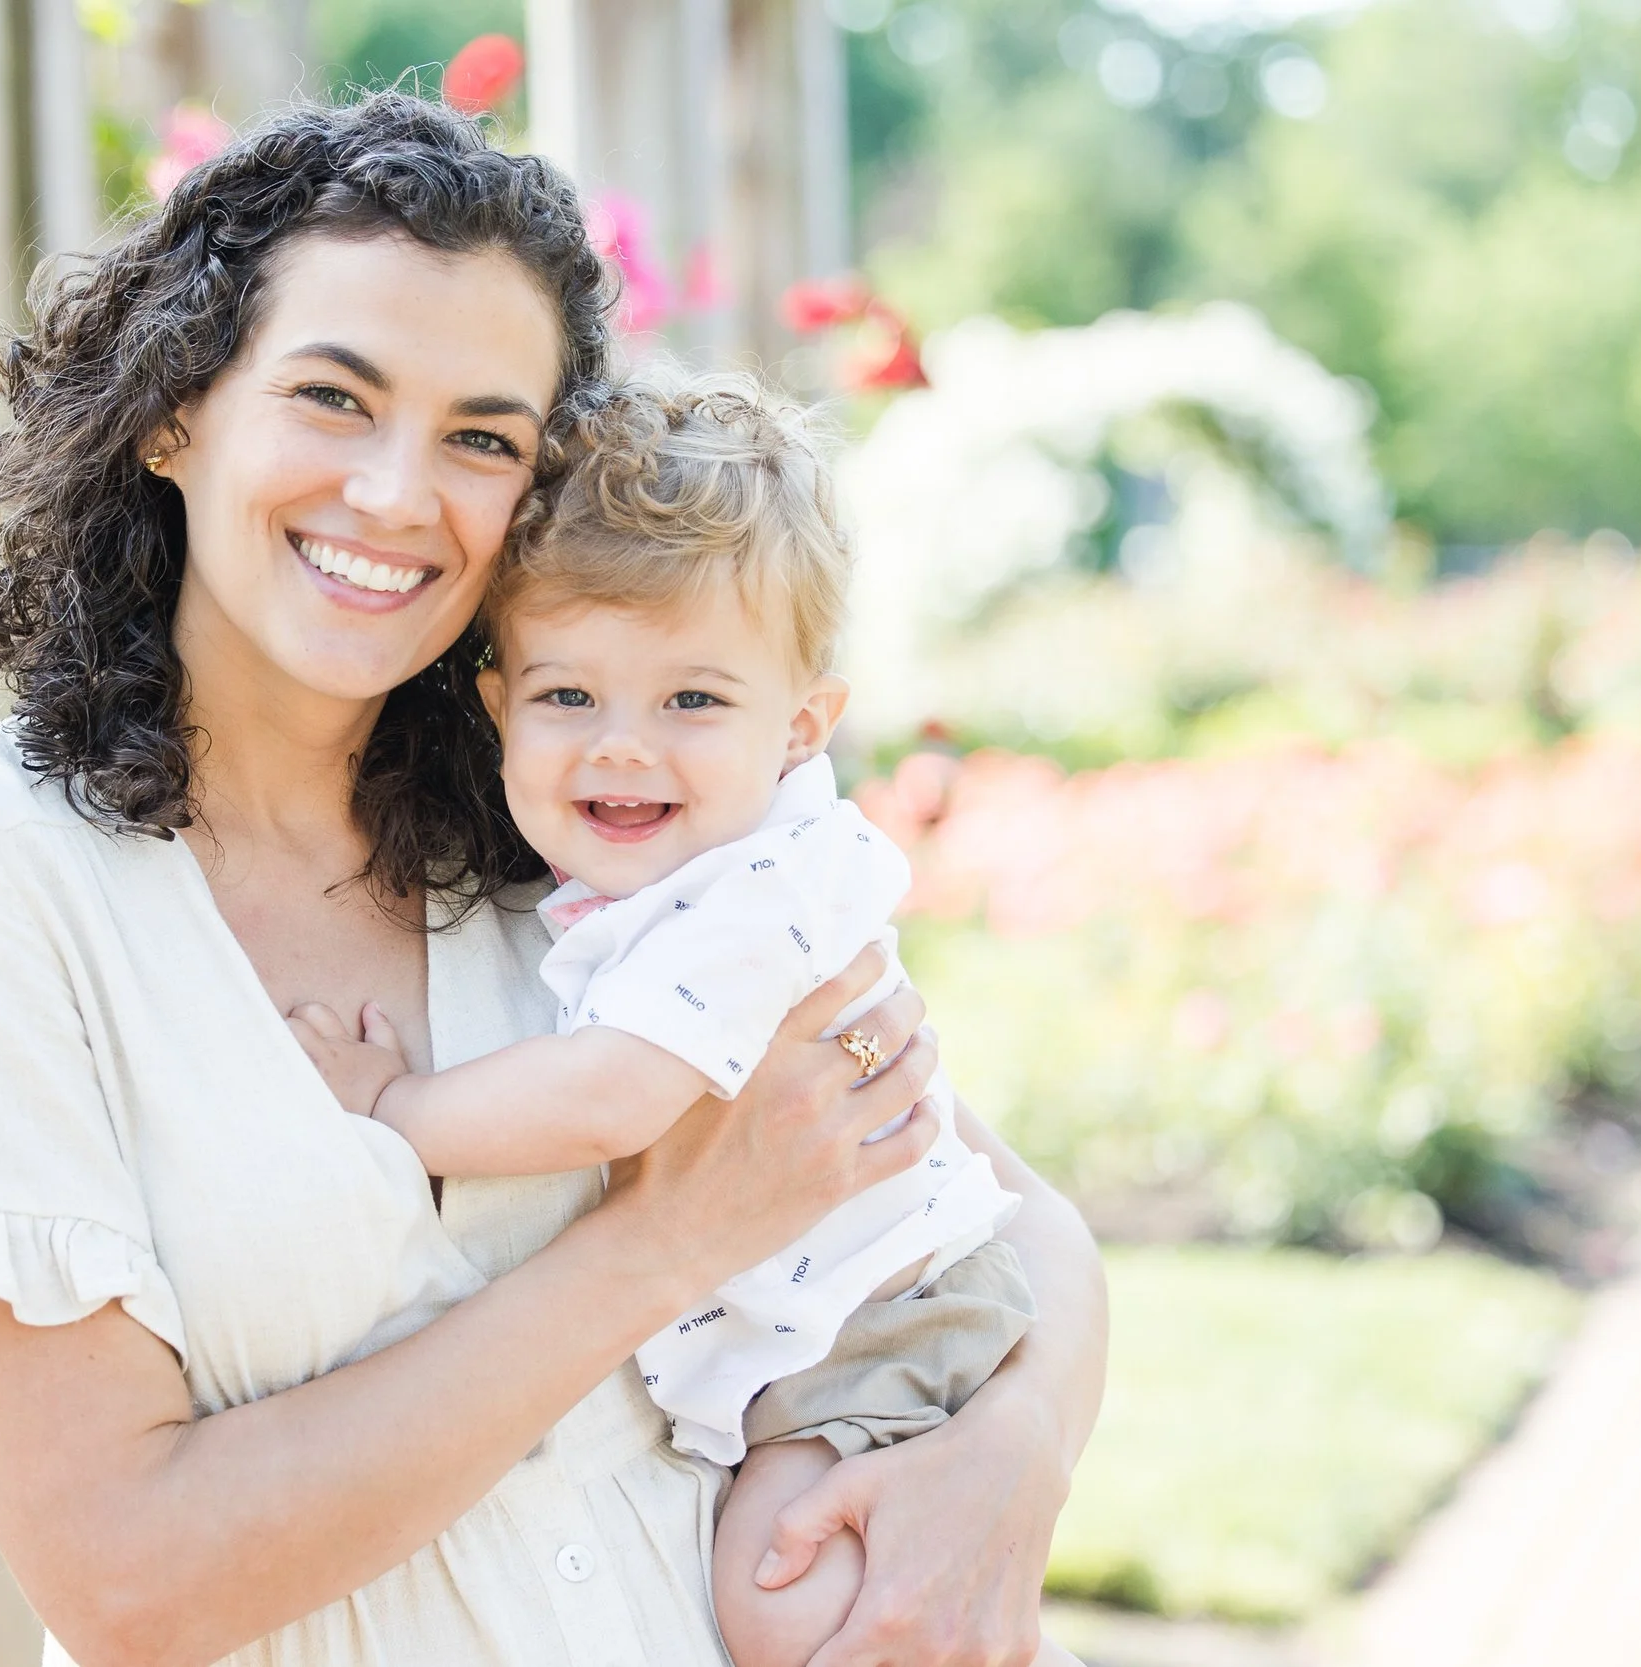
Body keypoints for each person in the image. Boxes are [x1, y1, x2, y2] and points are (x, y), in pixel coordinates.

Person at [0, 93, 1106, 1667]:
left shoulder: (581, 832)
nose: (399, 494)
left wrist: (1012, 1456)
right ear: (173, 413)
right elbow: (127, 1578)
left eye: (482, 436)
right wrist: (662, 1246)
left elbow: (1013, 1219)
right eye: (334, 399)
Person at [283, 369, 1076, 1667]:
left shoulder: (752, 892)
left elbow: (612, 1093)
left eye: (693, 701)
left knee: (783, 1598)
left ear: (800, 727)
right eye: (568, 697)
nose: (623, 748)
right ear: (497, 709)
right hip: (832, 1325)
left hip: (881, 1320)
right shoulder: (649, 887)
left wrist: (396, 1107)